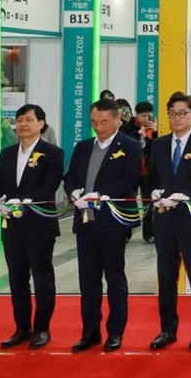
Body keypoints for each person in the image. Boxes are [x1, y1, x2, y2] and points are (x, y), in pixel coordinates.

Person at [64, 98, 142, 352]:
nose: (99, 127)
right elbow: (70, 176)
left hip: (112, 223)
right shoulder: (83, 146)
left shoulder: (130, 146)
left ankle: (115, 332)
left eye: (104, 122)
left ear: (118, 119)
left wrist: (100, 195)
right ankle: (90, 332)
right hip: (85, 223)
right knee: (88, 281)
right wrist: (74, 192)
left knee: (114, 278)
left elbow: (129, 181)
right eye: (94, 122)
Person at [148, 91, 191, 351]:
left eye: (182, 113)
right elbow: (152, 178)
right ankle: (167, 329)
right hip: (164, 219)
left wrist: (185, 196)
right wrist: (154, 193)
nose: (177, 118)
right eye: (172, 113)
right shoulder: (159, 144)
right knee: (166, 277)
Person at [0, 104, 64, 350]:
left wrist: (23, 200)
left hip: (39, 225)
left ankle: (42, 328)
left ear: (41, 124)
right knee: (17, 278)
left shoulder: (52, 153)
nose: (22, 124)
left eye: (29, 120)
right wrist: (1, 200)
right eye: (20, 120)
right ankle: (22, 327)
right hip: (12, 226)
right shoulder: (7, 153)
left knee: (42, 278)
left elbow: (49, 186)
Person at [120, 101, 158, 243]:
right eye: (143, 116)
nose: (146, 119)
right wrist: (137, 134)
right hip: (131, 169)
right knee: (129, 201)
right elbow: (122, 143)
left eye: (149, 115)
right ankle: (126, 233)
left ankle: (149, 233)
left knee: (148, 202)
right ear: (137, 115)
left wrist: (155, 132)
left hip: (148, 170)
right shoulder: (127, 127)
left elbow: (159, 145)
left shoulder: (154, 127)